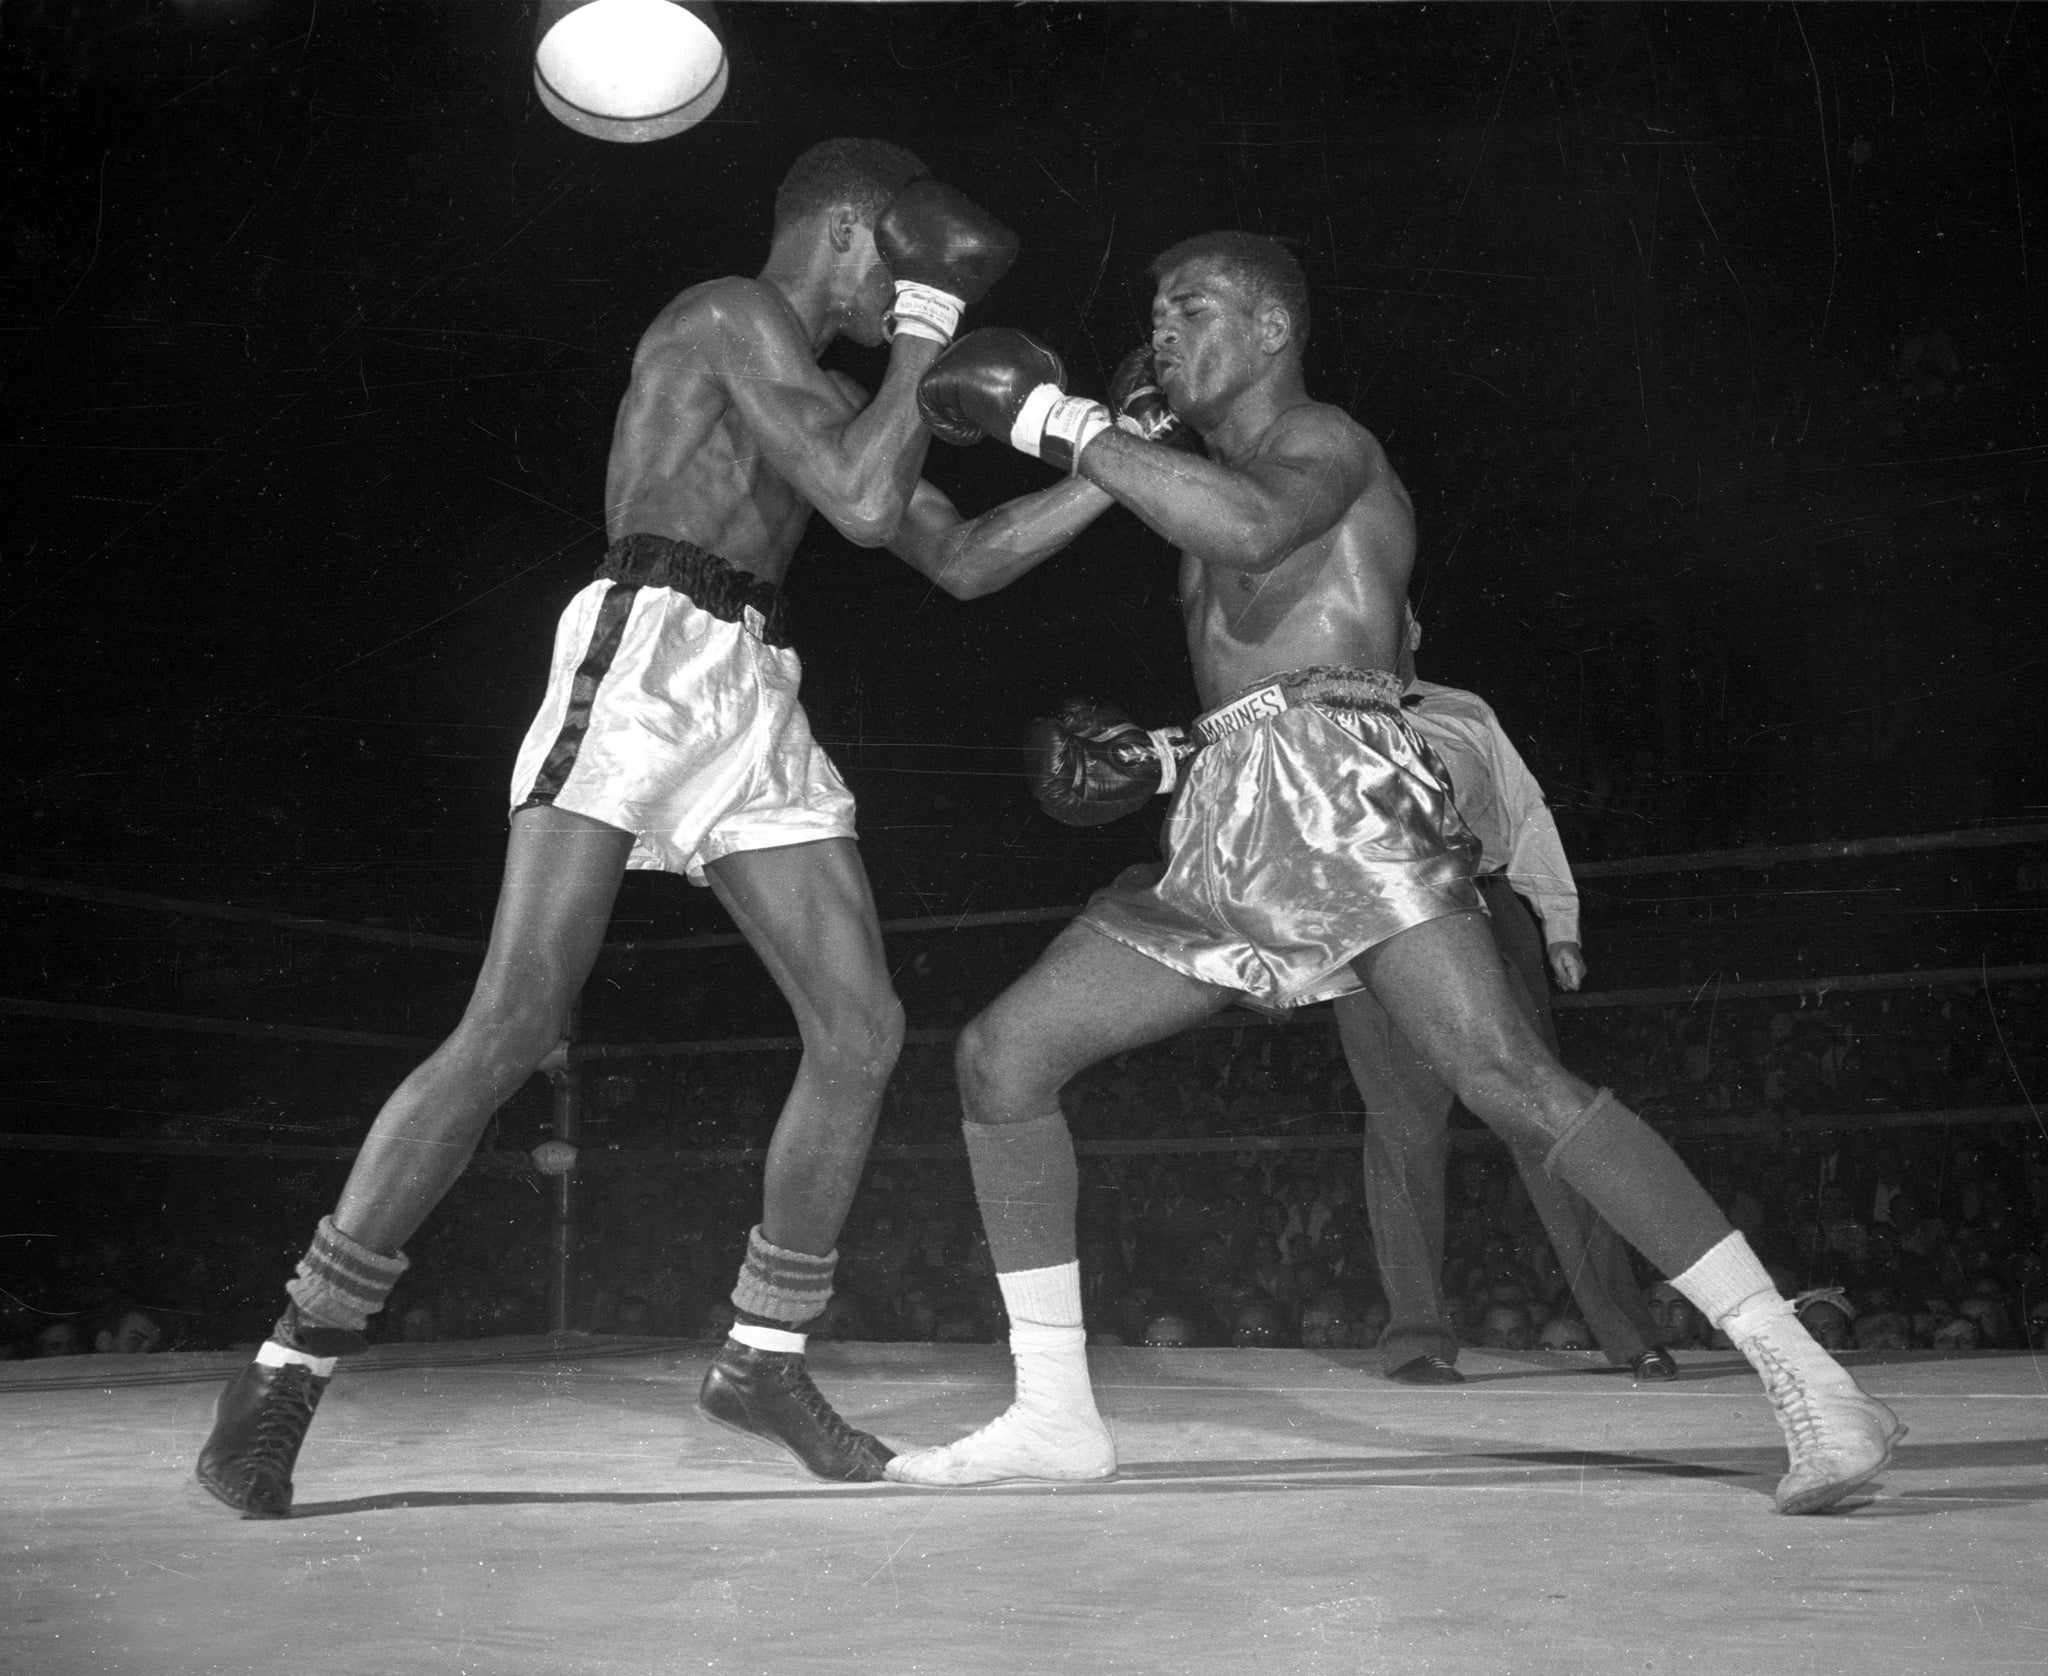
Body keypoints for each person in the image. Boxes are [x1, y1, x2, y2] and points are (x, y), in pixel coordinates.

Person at [881, 229, 1901, 1513]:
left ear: (1269, 332)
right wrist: (1165, 748)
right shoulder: (1189, 476)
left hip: (1343, 789)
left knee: (1508, 1079)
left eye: (1189, 308)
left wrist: (1054, 414)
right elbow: (1132, 621)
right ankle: (1052, 1412)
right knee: (1000, 1056)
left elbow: (1259, 546)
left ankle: (1809, 1376)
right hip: (1228, 812)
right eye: (1152, 312)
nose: (1162, 332)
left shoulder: (1323, 443)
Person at [195, 138, 1023, 1517]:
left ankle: (762, 1359)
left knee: (861, 1028)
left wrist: (1110, 453)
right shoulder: (728, 311)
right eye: (906, 251)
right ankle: (285, 1368)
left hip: (751, 684)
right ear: (842, 226)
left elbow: (961, 553)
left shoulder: (819, 391)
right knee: (513, 1021)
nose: (914, 281)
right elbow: (870, 499)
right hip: (645, 650)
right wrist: (928, 343)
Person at [1339, 611, 1676, 1386]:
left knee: (1549, 1122)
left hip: (1489, 911)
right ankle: (1417, 1340)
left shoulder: (1466, 710)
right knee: (1402, 1137)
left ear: (1416, 629)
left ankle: (1628, 1334)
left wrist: (1558, 922)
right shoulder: (1314, 720)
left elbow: (1526, 812)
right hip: (1378, 919)